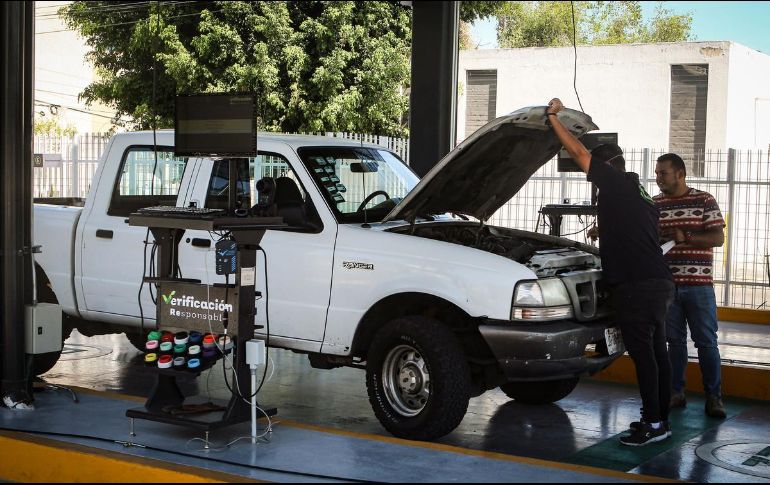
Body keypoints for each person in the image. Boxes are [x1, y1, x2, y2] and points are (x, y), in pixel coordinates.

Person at [546, 98, 675, 446]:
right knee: (658, 354)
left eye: (594, 173)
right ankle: (662, 420)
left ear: (606, 166)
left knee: (645, 356)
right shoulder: (639, 190)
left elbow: (576, 151)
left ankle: (652, 423)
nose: (592, 180)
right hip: (659, 283)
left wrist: (554, 118)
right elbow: (639, 230)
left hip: (638, 287)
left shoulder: (615, 182)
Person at [654, 153, 727, 418]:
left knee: (706, 342)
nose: (658, 178)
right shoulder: (655, 204)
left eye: (663, 173)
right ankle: (676, 393)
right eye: (657, 173)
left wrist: (687, 237)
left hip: (699, 286)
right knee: (674, 342)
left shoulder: (704, 200)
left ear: (680, 174)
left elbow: (718, 237)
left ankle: (714, 397)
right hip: (668, 286)